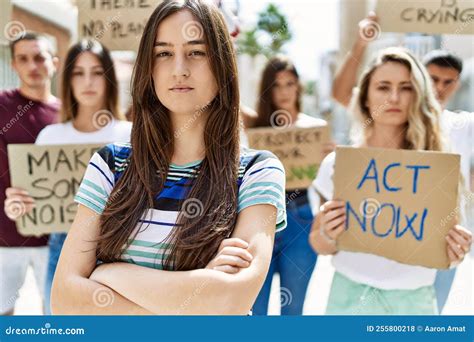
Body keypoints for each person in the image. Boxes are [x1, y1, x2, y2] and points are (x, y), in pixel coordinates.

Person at [51, 0, 287, 315]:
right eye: (163, 53)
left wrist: (108, 274)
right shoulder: (110, 164)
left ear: (222, 65)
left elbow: (231, 300)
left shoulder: (257, 171)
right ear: (149, 69)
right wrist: (195, 295)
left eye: (196, 52)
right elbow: (64, 300)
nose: (179, 69)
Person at [310, 47, 472, 315]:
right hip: (349, 299)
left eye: (406, 88)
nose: (394, 97)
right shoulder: (339, 165)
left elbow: (445, 250)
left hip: (414, 303)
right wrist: (328, 231)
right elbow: (319, 244)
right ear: (365, 97)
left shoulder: (437, 167)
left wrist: (455, 252)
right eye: (383, 87)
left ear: (418, 95)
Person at [5, 39, 132, 314]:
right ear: (68, 79)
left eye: (97, 72)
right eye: (79, 72)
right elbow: (36, 211)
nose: (88, 81)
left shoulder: (130, 134)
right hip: (62, 247)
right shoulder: (50, 136)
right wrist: (19, 206)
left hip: (121, 249)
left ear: (109, 78)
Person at [248, 55, 328, 315]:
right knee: (253, 309)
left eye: (289, 83)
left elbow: (329, 184)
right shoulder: (254, 127)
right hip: (260, 217)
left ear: (298, 87)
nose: (284, 91)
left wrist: (330, 159)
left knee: (293, 309)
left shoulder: (314, 130)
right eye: (276, 85)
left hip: (300, 216)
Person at [1, 32, 60, 315]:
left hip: (55, 236)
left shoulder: (69, 114)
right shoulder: (1, 105)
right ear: (13, 65)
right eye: (23, 59)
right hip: (4, 236)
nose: (32, 66)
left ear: (55, 63)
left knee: (56, 313)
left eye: (39, 57)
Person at [422, 50, 474, 313]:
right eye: (433, 79)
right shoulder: (396, 121)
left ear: (458, 84)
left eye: (448, 82)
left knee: (432, 316)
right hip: (401, 230)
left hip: (448, 238)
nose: (439, 88)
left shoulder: (463, 124)